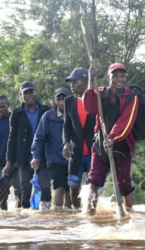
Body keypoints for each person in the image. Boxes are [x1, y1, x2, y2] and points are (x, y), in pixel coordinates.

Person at [83, 63, 139, 215]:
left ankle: (129, 216)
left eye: (122, 76)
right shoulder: (100, 93)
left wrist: (113, 138)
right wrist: (90, 79)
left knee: (124, 185)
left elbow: (125, 122)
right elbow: (89, 107)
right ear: (109, 77)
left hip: (122, 146)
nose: (119, 79)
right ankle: (90, 216)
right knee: (94, 180)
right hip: (101, 144)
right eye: (115, 76)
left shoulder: (131, 97)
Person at [3, 81, 52, 210]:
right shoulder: (16, 114)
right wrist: (9, 161)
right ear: (21, 95)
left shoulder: (46, 111)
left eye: (31, 92)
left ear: (35, 92)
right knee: (25, 191)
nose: (29, 95)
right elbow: (12, 138)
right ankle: (27, 220)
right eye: (25, 93)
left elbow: (52, 136)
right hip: (24, 159)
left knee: (45, 187)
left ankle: (48, 218)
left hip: (43, 157)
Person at [31, 87, 71, 210]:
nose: (61, 102)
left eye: (64, 99)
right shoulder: (48, 117)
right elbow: (39, 138)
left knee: (72, 189)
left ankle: (71, 216)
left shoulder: (74, 114)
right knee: (60, 186)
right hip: (55, 160)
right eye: (58, 99)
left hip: (73, 159)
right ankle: (58, 216)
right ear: (55, 101)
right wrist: (36, 156)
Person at [62, 67, 96, 210]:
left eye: (75, 82)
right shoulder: (69, 102)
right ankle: (76, 213)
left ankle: (92, 214)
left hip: (93, 151)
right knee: (73, 186)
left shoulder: (96, 100)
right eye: (71, 82)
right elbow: (67, 125)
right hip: (76, 151)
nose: (72, 85)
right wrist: (66, 142)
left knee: (92, 189)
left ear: (85, 82)